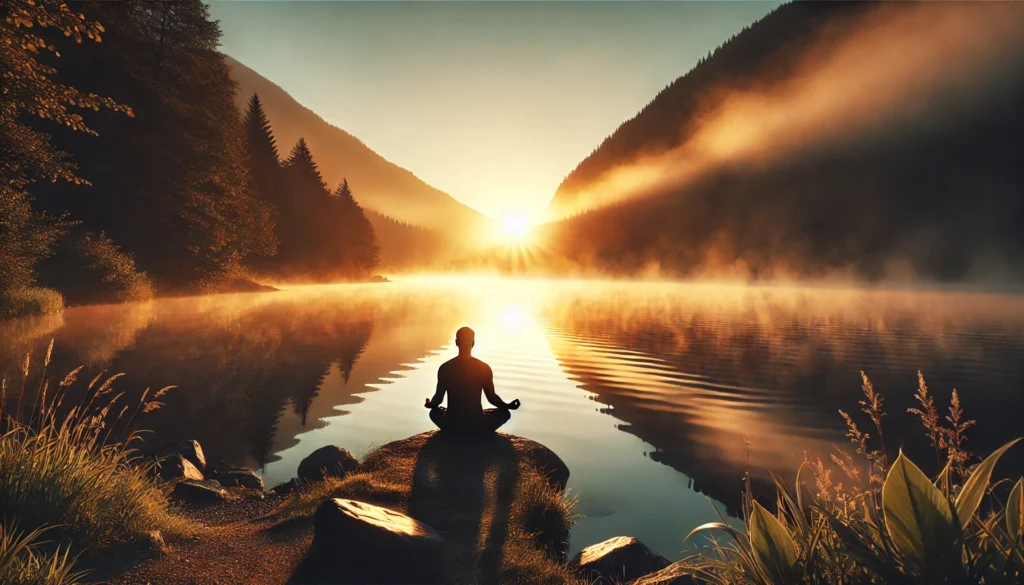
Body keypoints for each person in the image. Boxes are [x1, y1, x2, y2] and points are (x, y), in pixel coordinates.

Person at [425, 326, 520, 435]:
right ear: (473, 343)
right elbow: (492, 398)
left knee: (434, 412)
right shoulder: (483, 368)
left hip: (451, 424)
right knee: (504, 413)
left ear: (456, 342)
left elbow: (438, 399)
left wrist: (430, 404)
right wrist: (507, 406)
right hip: (478, 425)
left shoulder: (445, 368)